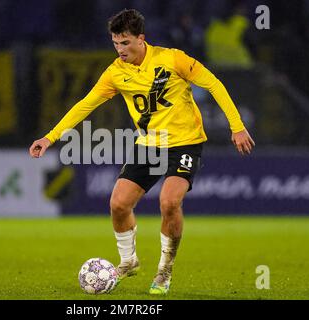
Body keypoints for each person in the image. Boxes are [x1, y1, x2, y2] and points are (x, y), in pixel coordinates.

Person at [29, 9, 255, 295]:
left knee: (169, 202)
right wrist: (50, 138)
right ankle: (128, 261)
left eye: (125, 43)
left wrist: (237, 126)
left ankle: (164, 271)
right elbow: (85, 105)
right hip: (149, 145)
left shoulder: (173, 58)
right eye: (115, 43)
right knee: (118, 204)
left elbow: (213, 84)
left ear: (141, 39)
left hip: (185, 142)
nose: (120, 50)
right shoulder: (115, 72)